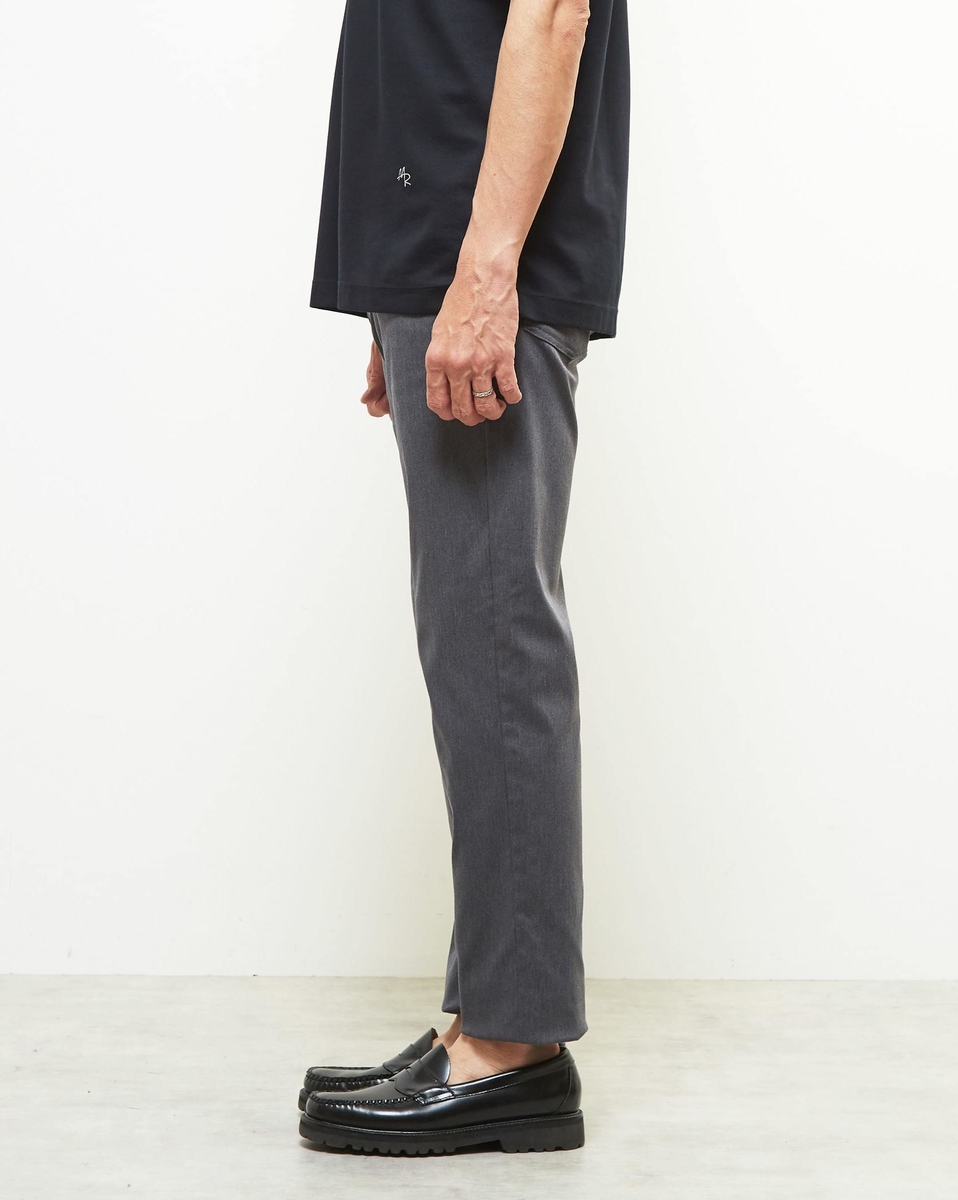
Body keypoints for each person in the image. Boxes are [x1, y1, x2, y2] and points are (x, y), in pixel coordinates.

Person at [298, 0, 629, 1156]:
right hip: (438, 248)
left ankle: (513, 1044)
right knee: (470, 636)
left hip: (484, 255)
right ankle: (482, 1012)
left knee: (494, 639)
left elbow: (552, 13)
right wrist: (405, 288)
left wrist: (483, 272)